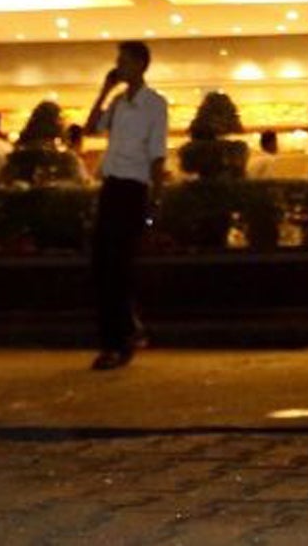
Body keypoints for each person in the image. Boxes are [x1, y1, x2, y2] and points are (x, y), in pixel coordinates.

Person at [84, 40, 167, 370]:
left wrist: (155, 200)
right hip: (111, 186)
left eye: (124, 62)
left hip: (133, 189)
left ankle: (117, 343)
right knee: (103, 265)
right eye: (117, 62)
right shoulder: (118, 103)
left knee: (118, 266)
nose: (119, 67)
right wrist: (104, 91)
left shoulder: (154, 104)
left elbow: (158, 154)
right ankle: (124, 332)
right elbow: (91, 128)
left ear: (140, 65)